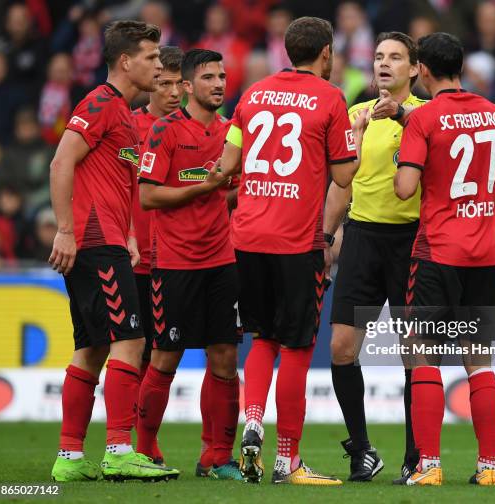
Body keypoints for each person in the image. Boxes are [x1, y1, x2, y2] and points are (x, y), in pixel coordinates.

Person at [212, 16, 360, 485]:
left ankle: (252, 419)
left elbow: (228, 163)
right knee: (296, 345)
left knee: (262, 337)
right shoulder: (332, 97)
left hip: (247, 236)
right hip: (296, 241)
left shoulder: (253, 94)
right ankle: (286, 460)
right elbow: (342, 175)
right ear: (325, 54)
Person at [48, 20, 179, 483]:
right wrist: (65, 229)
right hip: (93, 241)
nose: (159, 65)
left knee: (92, 346)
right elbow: (62, 161)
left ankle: (69, 458)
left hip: (107, 239)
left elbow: (112, 179)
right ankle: (120, 449)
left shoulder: (123, 111)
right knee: (132, 341)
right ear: (126, 61)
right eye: (150, 57)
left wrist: (127, 232)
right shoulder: (101, 104)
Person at [394, 32, 495, 486]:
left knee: (423, 354)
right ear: (461, 67)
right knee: (479, 360)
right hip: (484, 254)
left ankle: (429, 465)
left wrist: (405, 159)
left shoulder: (424, 119)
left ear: (422, 70)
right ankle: (488, 468)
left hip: (436, 252)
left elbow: (405, 189)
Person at [323, 31, 426, 483]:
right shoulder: (354, 114)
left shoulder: (426, 116)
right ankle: (362, 450)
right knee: (342, 349)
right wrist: (326, 238)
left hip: (412, 240)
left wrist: (401, 119)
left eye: (396, 57)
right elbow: (341, 182)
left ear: (416, 69)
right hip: (363, 238)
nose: (384, 64)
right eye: (380, 56)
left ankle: (415, 455)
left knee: (413, 353)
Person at [137, 48, 243, 481]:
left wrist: (219, 190)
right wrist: (205, 189)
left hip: (222, 259)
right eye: (208, 78)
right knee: (165, 357)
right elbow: (148, 196)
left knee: (224, 357)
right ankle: (143, 450)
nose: (218, 84)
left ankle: (217, 456)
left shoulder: (232, 132)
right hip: (174, 263)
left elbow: (232, 190)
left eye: (222, 76)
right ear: (186, 86)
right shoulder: (164, 131)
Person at [131, 45, 184, 466]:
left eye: (177, 84)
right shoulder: (129, 126)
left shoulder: (199, 130)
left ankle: (142, 440)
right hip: (133, 258)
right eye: (163, 83)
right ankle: (130, 442)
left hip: (175, 259)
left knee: (162, 353)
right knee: (134, 351)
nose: (170, 92)